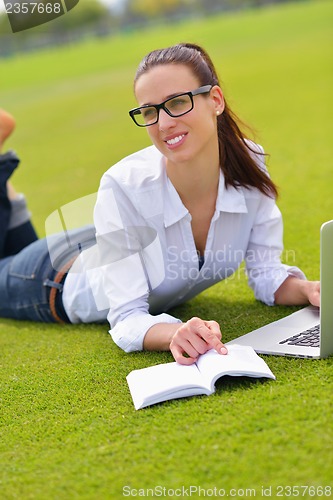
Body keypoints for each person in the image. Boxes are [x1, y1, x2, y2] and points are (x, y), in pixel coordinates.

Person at [0, 43, 320, 365]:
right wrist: (173, 333)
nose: (164, 123)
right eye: (150, 111)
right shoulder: (122, 186)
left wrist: (309, 290)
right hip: (56, 278)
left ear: (216, 101)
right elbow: (126, 318)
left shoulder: (249, 163)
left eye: (178, 102)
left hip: (105, 243)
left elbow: (266, 274)